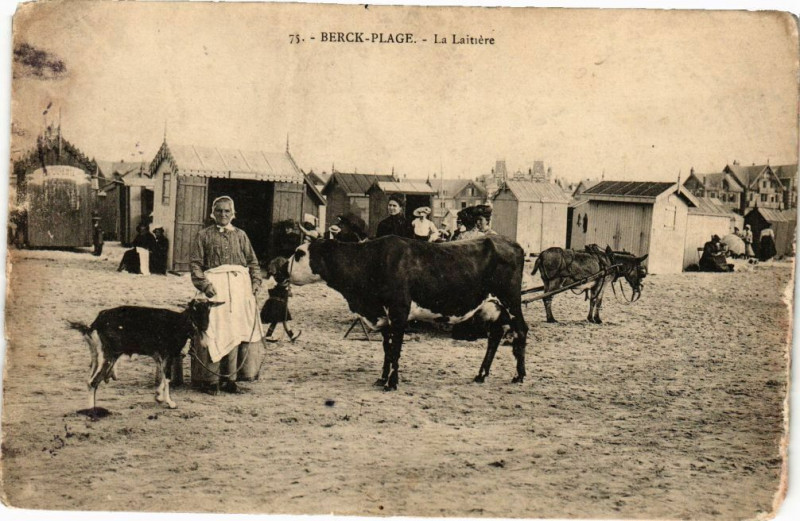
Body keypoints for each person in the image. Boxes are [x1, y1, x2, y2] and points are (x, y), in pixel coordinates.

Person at [190, 196, 263, 394]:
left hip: (240, 289)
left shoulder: (241, 235)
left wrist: (255, 284)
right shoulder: (203, 235)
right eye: (219, 211)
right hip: (215, 287)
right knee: (213, 330)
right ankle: (210, 380)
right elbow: (196, 264)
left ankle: (230, 380)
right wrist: (205, 285)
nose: (223, 214)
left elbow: (253, 263)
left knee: (235, 330)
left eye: (227, 211)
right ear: (212, 213)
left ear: (233, 214)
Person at [261, 256, 300, 342]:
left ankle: (269, 335)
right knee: (283, 319)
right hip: (278, 302)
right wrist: (287, 283)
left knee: (277, 320)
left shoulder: (277, 277)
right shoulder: (278, 277)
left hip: (278, 301)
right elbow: (280, 286)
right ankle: (291, 335)